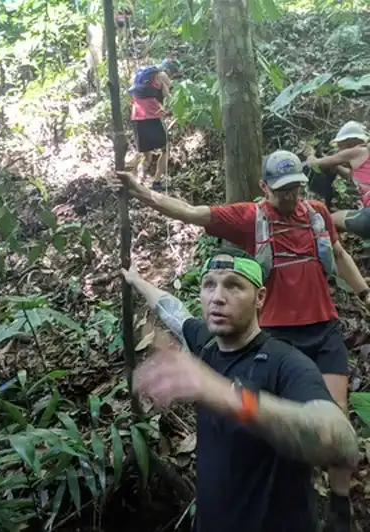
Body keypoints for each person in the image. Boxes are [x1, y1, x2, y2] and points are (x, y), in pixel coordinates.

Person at [116, 149, 370, 531]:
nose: (292, 196)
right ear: (264, 187)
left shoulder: (316, 212)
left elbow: (336, 252)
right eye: (283, 190)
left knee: (333, 417)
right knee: (275, 427)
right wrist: (145, 195)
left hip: (324, 328)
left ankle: (338, 505)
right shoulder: (252, 218)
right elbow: (193, 212)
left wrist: (364, 293)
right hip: (280, 333)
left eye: (297, 187)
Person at [123, 247, 359, 532]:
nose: (217, 297)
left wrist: (226, 396)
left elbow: (342, 441)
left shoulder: (287, 364)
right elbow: (172, 310)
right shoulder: (207, 343)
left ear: (260, 297)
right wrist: (136, 279)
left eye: (233, 286)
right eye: (209, 285)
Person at [306, 120, 370, 240]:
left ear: (350, 142)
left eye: (340, 146)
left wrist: (311, 156)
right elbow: (350, 177)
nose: (339, 150)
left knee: (329, 220)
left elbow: (320, 163)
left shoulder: (357, 150)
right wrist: (337, 168)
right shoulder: (364, 158)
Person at [128, 58, 181, 190]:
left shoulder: (137, 76)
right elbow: (169, 97)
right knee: (165, 149)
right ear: (170, 70)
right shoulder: (162, 75)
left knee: (146, 156)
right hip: (153, 117)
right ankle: (156, 182)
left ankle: (139, 182)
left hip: (137, 117)